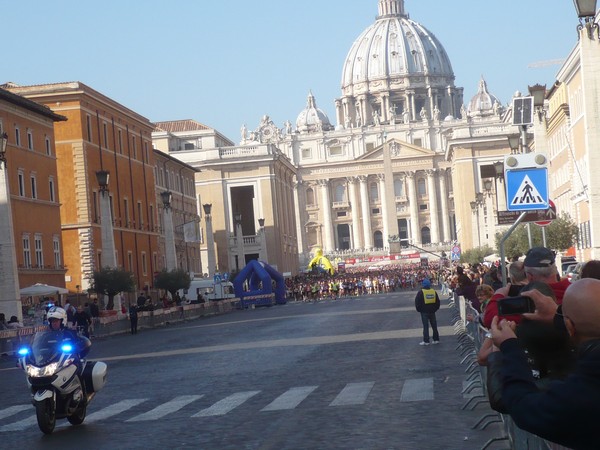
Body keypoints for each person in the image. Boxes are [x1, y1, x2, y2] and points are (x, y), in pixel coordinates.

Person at [490, 278, 600, 449]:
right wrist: (558, 316)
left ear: (570, 326)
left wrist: (509, 348)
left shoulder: (582, 391)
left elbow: (522, 406)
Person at [483, 247, 571, 328]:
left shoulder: (530, 301)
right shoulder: (575, 291)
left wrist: (499, 294)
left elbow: (490, 318)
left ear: (529, 276)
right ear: (555, 270)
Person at [414, 278, 440, 345]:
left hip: (424, 312)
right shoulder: (433, 291)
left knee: (425, 326)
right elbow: (438, 302)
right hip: (432, 311)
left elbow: (417, 302)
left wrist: (419, 310)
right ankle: (436, 339)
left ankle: (426, 341)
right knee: (434, 326)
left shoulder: (421, 292)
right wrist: (435, 309)